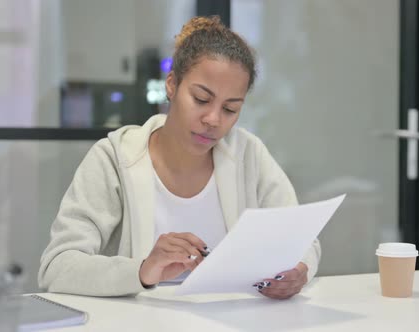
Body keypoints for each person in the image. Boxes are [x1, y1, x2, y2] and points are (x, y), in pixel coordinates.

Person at [38, 16, 320, 300]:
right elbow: (57, 267)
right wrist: (143, 270)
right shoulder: (114, 158)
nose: (213, 119)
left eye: (230, 109)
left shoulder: (248, 154)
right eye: (200, 99)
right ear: (171, 85)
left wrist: (300, 269)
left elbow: (302, 240)